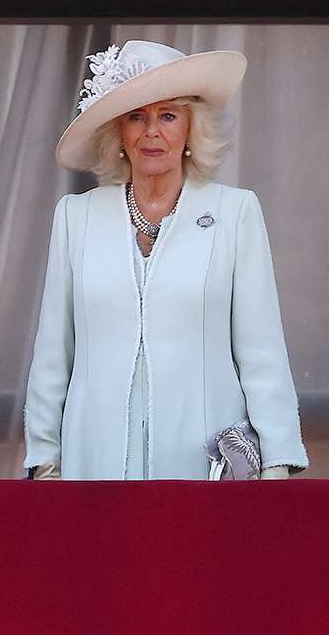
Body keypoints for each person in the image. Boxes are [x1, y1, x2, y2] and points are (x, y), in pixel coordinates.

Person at [24, 40, 307, 480]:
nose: (151, 132)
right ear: (118, 132)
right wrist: (44, 459)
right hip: (93, 458)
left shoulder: (235, 213)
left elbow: (261, 351)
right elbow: (53, 352)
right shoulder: (76, 216)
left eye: (168, 116)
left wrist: (276, 464)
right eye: (136, 116)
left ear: (192, 130)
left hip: (204, 460)